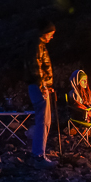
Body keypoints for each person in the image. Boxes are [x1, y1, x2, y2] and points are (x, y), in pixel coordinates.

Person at [27, 20, 58, 168]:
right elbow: (36, 66)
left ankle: (39, 154)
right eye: (51, 34)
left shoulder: (39, 46)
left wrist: (48, 85)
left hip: (41, 86)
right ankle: (38, 156)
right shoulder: (37, 46)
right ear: (45, 33)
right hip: (38, 86)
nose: (52, 37)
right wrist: (42, 85)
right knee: (42, 120)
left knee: (45, 120)